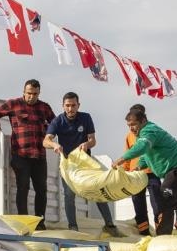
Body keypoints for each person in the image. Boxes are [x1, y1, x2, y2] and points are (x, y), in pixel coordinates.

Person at [44, 92, 120, 236]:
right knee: (69, 195)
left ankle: (110, 225)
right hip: (68, 165)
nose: (70, 109)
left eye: (73, 105)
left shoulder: (85, 118)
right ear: (63, 106)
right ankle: (73, 227)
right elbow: (45, 140)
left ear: (78, 105)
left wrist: (87, 144)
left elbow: (93, 140)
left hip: (86, 164)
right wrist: (53, 145)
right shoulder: (57, 121)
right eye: (67, 106)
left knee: (98, 190)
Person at [0, 79, 55, 228]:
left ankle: (40, 222)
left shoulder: (44, 107)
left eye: (35, 94)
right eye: (29, 93)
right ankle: (24, 222)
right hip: (20, 154)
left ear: (39, 93)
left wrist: (50, 134)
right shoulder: (13, 104)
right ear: (24, 92)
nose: (31, 96)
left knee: (41, 189)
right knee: (23, 187)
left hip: (39, 156)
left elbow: (54, 123)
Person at [112, 109, 177, 236]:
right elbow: (146, 155)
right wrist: (138, 168)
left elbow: (143, 147)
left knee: (164, 199)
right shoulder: (147, 133)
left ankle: (163, 236)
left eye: (133, 124)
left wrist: (121, 159)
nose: (131, 129)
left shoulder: (149, 131)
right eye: (129, 126)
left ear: (143, 121)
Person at [121, 104, 160, 235]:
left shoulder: (151, 131)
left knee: (157, 203)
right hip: (135, 175)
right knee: (138, 204)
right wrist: (125, 173)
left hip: (151, 172)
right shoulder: (129, 136)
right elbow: (127, 157)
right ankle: (144, 233)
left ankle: (161, 232)